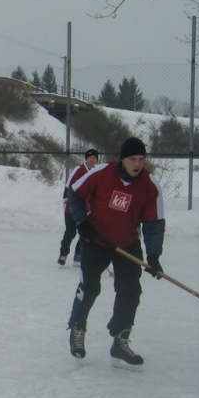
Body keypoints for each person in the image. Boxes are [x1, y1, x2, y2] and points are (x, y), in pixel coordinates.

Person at [65, 137, 165, 372]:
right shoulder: (101, 172)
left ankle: (120, 341)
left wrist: (153, 256)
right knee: (89, 287)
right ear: (123, 159)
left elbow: (154, 223)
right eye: (132, 159)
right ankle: (77, 327)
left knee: (130, 291)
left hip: (127, 244)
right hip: (96, 240)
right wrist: (82, 222)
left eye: (141, 159)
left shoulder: (150, 184)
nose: (137, 164)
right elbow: (75, 193)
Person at [58, 148, 98, 266]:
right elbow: (69, 186)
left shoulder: (96, 172)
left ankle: (78, 254)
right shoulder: (79, 170)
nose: (92, 159)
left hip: (85, 209)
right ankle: (63, 254)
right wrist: (67, 201)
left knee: (84, 232)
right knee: (70, 231)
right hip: (71, 207)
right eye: (90, 157)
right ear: (86, 159)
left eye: (94, 158)